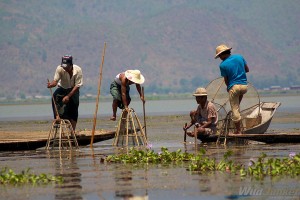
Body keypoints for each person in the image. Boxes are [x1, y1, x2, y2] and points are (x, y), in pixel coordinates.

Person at [215, 44, 249, 134]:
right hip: (244, 86)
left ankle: (238, 130)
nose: (219, 58)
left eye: (219, 56)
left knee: (234, 109)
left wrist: (228, 87)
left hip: (234, 87)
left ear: (222, 54)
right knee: (237, 105)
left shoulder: (222, 65)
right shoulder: (239, 57)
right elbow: (247, 70)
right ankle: (238, 119)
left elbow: (226, 80)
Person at [47, 55, 83, 132]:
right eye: (63, 66)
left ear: (71, 65)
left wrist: (68, 96)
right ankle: (57, 117)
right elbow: (55, 81)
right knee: (55, 96)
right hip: (63, 88)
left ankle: (72, 131)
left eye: (66, 66)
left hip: (73, 89)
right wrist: (51, 85)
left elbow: (77, 85)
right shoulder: (60, 69)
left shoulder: (78, 70)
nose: (64, 68)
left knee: (74, 106)